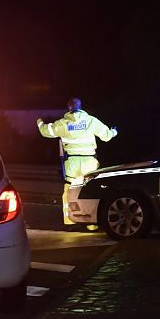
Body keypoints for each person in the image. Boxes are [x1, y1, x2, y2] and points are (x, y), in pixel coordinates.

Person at [37, 97, 118, 229]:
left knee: (69, 190)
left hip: (72, 163)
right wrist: (114, 131)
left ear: (69, 108)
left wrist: (39, 121)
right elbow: (107, 136)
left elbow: (45, 131)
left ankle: (70, 222)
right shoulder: (91, 121)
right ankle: (92, 224)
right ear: (81, 107)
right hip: (89, 162)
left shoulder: (62, 123)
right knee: (91, 189)